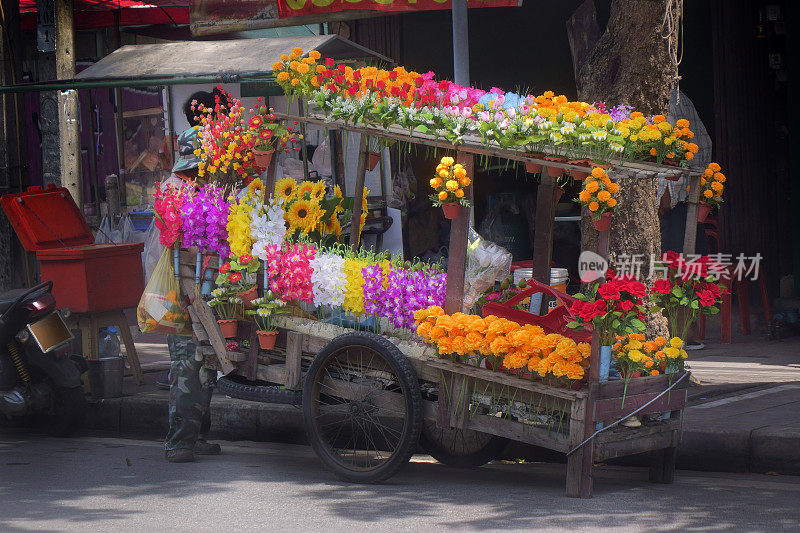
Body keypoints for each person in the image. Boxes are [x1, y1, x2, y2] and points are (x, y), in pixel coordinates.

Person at [163, 89, 224, 463]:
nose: (194, 176)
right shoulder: (174, 193)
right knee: (189, 368)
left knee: (206, 367)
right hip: (183, 293)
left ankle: (196, 435)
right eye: (191, 169)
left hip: (204, 290)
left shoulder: (209, 189)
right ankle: (178, 441)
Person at [658, 90, 712, 350]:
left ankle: (684, 330)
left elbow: (696, 147)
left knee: (677, 267)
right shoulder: (679, 99)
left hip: (674, 199)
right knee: (674, 266)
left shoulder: (674, 101)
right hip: (677, 197)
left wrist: (671, 190)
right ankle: (677, 330)